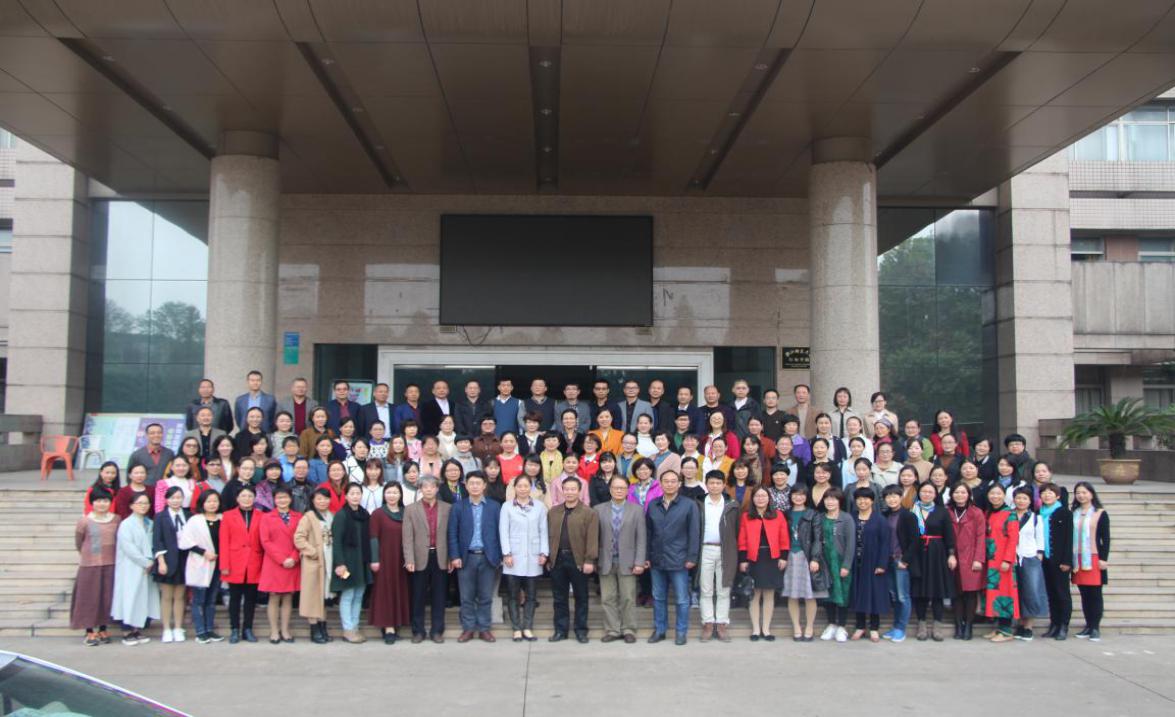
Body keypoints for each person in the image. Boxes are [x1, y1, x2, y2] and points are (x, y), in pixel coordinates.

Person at [645, 470, 699, 645]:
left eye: (673, 481)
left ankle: (681, 632)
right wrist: (646, 555)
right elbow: (648, 532)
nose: (669, 484)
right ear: (660, 484)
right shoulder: (653, 505)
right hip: (657, 558)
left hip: (679, 559)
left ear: (679, 484)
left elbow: (694, 533)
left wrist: (692, 557)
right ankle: (660, 630)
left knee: (682, 599)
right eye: (666, 481)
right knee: (658, 597)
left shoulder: (689, 505)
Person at [448, 471, 502, 643]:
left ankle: (484, 628)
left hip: (488, 557)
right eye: (471, 483)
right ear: (466, 485)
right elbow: (452, 533)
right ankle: (468, 628)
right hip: (466, 557)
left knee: (486, 596)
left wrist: (499, 555)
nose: (475, 486)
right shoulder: (458, 507)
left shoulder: (494, 507)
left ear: (484, 485)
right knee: (466, 597)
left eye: (478, 483)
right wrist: (454, 556)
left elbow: (500, 532)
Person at [546, 475, 599, 643]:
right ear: (562, 491)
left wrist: (589, 560)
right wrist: (549, 557)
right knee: (559, 598)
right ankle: (560, 630)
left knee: (581, 597)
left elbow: (592, 538)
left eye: (573, 489)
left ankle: (581, 630)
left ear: (579, 491)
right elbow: (548, 536)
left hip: (578, 560)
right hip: (558, 559)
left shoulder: (589, 513)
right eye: (566, 489)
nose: (569, 492)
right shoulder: (554, 512)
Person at [595, 475, 647, 644]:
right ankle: (612, 629)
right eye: (615, 487)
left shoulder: (637, 510)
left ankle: (628, 629)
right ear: (610, 489)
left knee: (628, 597)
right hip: (606, 560)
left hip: (628, 561)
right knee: (607, 598)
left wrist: (639, 562)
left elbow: (641, 538)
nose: (619, 490)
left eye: (622, 488)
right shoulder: (598, 509)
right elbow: (594, 538)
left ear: (627, 490)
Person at [498, 474, 548, 642]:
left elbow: (543, 531)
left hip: (534, 555)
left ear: (530, 488)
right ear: (515, 488)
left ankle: (527, 627)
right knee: (513, 595)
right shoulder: (507, 507)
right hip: (513, 556)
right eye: (520, 486)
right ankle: (516, 628)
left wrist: (544, 552)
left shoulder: (539, 507)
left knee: (531, 595)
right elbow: (503, 531)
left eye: (526, 486)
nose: (523, 489)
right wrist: (506, 553)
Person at [403, 475, 451, 643]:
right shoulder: (410, 509)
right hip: (418, 557)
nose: (429, 489)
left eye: (432, 486)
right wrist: (409, 559)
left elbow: (451, 535)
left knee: (439, 596)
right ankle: (418, 631)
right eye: (425, 487)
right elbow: (407, 537)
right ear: (420, 489)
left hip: (440, 556)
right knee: (418, 596)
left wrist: (451, 557)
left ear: (437, 489)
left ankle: (437, 631)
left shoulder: (447, 508)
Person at [70, 487, 120, 646]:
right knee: (89, 598)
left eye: (105, 501)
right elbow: (79, 542)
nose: (102, 504)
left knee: (106, 597)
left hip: (111, 563)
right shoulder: (84, 521)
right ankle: (89, 631)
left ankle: (103, 628)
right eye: (98, 501)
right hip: (90, 565)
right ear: (92, 503)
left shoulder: (116, 520)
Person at [739, 485, 789, 641]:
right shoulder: (746, 516)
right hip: (753, 557)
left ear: (769, 498)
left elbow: (784, 537)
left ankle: (766, 629)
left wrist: (783, 557)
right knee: (754, 594)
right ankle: (755, 629)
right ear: (752, 499)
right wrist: (743, 559)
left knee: (769, 594)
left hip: (772, 557)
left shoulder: (778, 515)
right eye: (757, 496)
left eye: (764, 496)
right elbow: (742, 539)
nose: (760, 499)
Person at [908, 481, 955, 641]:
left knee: (937, 591)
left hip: (937, 553)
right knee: (919, 590)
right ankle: (921, 624)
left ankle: (937, 625)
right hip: (918, 553)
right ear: (919, 493)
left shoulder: (942, 512)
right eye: (924, 491)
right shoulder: (912, 511)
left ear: (935, 494)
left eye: (930, 492)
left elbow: (949, 535)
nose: (926, 494)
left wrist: (951, 554)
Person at [111, 492, 159, 646]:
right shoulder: (126, 524)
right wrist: (145, 562)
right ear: (131, 506)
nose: (143, 506)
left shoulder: (149, 523)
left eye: (146, 503)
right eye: (139, 503)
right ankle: (127, 631)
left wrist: (151, 561)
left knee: (141, 598)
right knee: (129, 597)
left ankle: (137, 629)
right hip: (131, 566)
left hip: (147, 567)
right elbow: (128, 548)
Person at [696, 469, 739, 643]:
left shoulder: (732, 505)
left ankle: (721, 624)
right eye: (711, 483)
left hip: (725, 550)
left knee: (724, 589)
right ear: (706, 484)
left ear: (724, 485)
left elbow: (737, 529)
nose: (714, 486)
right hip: (705, 549)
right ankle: (708, 623)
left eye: (718, 483)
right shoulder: (699, 503)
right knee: (705, 589)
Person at [179, 490, 225, 644]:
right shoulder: (195, 520)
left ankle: (209, 629)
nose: (212, 504)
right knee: (199, 599)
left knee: (211, 599)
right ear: (202, 503)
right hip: (200, 562)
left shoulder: (223, 519)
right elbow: (185, 541)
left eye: (215, 501)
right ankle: (200, 631)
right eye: (209, 501)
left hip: (218, 564)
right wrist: (203, 552)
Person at [219, 484, 262, 644]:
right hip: (234, 562)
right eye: (243, 496)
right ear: (237, 498)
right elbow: (224, 541)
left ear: (255, 498)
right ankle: (235, 629)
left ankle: (248, 629)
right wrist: (224, 565)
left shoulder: (261, 515)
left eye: (250, 496)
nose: (247, 499)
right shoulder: (228, 516)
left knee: (251, 599)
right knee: (235, 599)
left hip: (254, 561)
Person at [332, 483, 374, 643]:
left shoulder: (364, 514)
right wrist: (340, 563)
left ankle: (355, 627)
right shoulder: (341, 515)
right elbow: (336, 541)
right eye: (352, 493)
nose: (355, 496)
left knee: (359, 595)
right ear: (346, 496)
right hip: (347, 561)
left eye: (358, 493)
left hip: (361, 560)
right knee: (348, 595)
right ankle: (348, 629)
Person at [369, 482, 411, 644]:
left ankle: (397, 622)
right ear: (384, 495)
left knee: (399, 590)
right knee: (385, 592)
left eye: (395, 492)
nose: (392, 496)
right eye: (389, 492)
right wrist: (374, 559)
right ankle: (388, 627)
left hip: (402, 559)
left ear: (400, 495)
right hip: (385, 558)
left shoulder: (406, 512)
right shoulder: (378, 514)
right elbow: (373, 538)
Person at [259, 486, 302, 643]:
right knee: (274, 596)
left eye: (285, 497)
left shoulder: (298, 516)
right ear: (274, 500)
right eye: (279, 498)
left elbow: (302, 538)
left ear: (290, 499)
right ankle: (274, 631)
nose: (282, 500)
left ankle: (285, 630)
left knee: (288, 596)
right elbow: (265, 541)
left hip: (293, 561)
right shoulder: (266, 517)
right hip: (274, 562)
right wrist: (282, 559)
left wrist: (294, 557)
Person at [848, 487, 890, 643]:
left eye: (866, 498)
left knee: (874, 595)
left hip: (873, 562)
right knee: (858, 593)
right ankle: (860, 626)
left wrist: (882, 564)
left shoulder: (880, 519)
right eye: (859, 498)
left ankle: (874, 628)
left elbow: (885, 543)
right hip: (855, 562)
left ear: (872, 501)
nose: (862, 501)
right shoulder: (851, 517)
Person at [294, 487, 335, 644]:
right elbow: (299, 538)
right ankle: (314, 629)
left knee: (323, 596)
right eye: (319, 499)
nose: (322, 502)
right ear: (313, 500)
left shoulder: (331, 516)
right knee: (312, 597)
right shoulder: (308, 517)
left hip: (328, 562)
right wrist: (312, 551)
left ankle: (323, 627)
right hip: (314, 563)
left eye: (325, 498)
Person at [782, 486, 823, 641]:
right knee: (792, 594)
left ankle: (810, 627)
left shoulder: (813, 514)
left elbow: (818, 538)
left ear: (806, 497)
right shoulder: (786, 514)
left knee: (809, 594)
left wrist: (815, 558)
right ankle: (796, 627)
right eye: (795, 494)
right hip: (789, 556)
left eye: (801, 495)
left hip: (806, 556)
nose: (798, 498)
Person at [814, 487, 855, 643]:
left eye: (833, 499)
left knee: (843, 593)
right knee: (828, 594)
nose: (830, 502)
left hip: (841, 561)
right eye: (827, 498)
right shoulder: (820, 518)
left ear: (839, 501)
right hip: (825, 562)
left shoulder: (846, 518)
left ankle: (842, 626)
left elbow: (851, 544)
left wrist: (846, 565)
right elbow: (816, 541)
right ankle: (831, 624)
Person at [1071, 481, 1110, 642]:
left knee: (1095, 594)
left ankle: (1095, 627)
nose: (1081, 495)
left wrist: (1103, 559)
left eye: (1084, 492)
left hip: (1093, 557)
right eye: (1078, 493)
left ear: (1091, 494)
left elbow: (1105, 538)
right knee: (1084, 594)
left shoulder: (1100, 513)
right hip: (1077, 558)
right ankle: (1088, 625)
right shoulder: (1074, 512)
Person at [947, 482, 986, 640]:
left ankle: (968, 625)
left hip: (971, 557)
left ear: (969, 495)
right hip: (953, 557)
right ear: (952, 494)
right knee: (956, 593)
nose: (960, 495)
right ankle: (958, 625)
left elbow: (981, 537)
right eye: (956, 492)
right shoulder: (947, 511)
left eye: (963, 492)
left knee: (970, 593)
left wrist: (978, 559)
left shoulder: (976, 512)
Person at [983, 483, 1021, 642]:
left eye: (998, 493)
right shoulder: (988, 513)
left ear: (1004, 495)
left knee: (1005, 593)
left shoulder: (1010, 514)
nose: (995, 496)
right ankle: (999, 627)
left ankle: (1006, 630)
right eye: (992, 493)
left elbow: (1013, 539)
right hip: (990, 560)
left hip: (1003, 560)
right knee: (994, 593)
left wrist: (1007, 559)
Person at [152, 486, 189, 643]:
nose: (175, 501)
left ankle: (178, 628)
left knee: (180, 596)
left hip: (184, 559)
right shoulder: (160, 517)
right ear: (166, 500)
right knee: (167, 597)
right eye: (172, 498)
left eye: (178, 497)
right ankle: (166, 628)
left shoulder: (188, 515)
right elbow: (157, 540)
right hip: (167, 560)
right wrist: (161, 561)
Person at [880, 484, 916, 643]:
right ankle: (895, 626)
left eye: (894, 496)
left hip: (901, 560)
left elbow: (915, 541)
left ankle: (901, 628)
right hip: (888, 560)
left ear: (901, 497)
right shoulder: (884, 515)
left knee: (903, 596)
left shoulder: (908, 516)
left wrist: (905, 560)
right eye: (888, 496)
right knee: (894, 596)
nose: (891, 499)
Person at [1039, 482, 1074, 640]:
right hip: (1045, 559)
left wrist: (1067, 561)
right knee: (1051, 593)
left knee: (1062, 593)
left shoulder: (1064, 513)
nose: (1047, 495)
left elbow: (1069, 538)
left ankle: (1063, 625)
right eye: (1044, 493)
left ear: (1058, 496)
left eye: (1050, 493)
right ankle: (1054, 624)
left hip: (1060, 560)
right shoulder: (1039, 513)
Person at [1012, 485, 1048, 641]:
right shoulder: (1009, 515)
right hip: (1012, 557)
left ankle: (1028, 626)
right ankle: (1020, 623)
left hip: (1029, 556)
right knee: (1018, 591)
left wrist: (1039, 554)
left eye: (1024, 498)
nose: (1021, 501)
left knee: (1031, 591)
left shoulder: (1035, 518)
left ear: (1030, 501)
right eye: (1018, 498)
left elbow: (1040, 538)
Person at [126, 422, 175, 487]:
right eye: (152, 433)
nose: (156, 435)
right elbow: (129, 477)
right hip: (144, 491)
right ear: (147, 435)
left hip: (164, 490)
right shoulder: (136, 455)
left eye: (159, 432)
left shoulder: (169, 453)